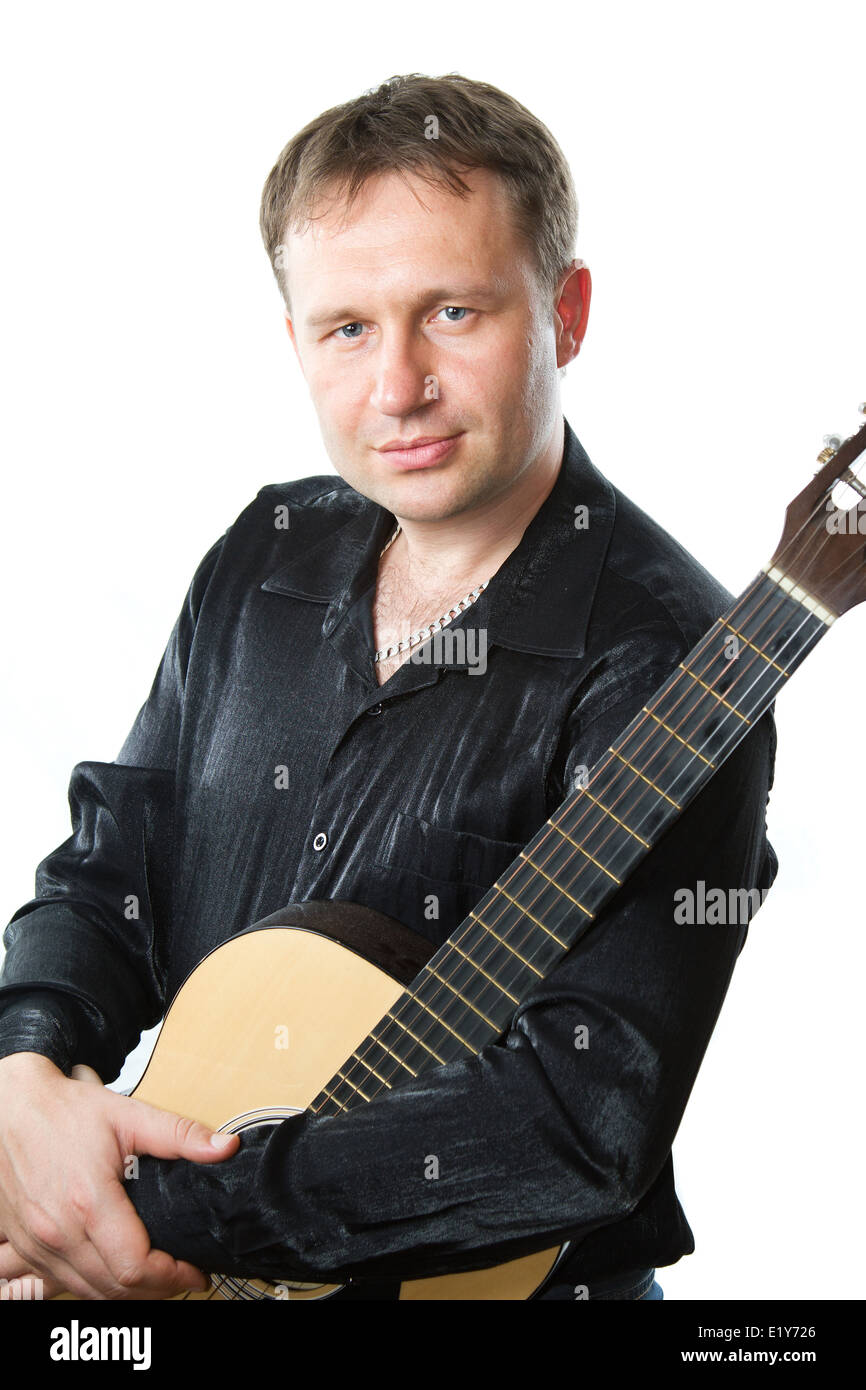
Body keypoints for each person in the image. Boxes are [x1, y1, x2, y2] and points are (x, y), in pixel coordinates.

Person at [0, 72, 777, 1302]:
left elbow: (575, 1119)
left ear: (566, 313)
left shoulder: (678, 662)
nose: (396, 388)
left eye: (453, 314)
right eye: (346, 328)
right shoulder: (265, 555)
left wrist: (164, 1220)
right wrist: (28, 1075)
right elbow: (114, 873)